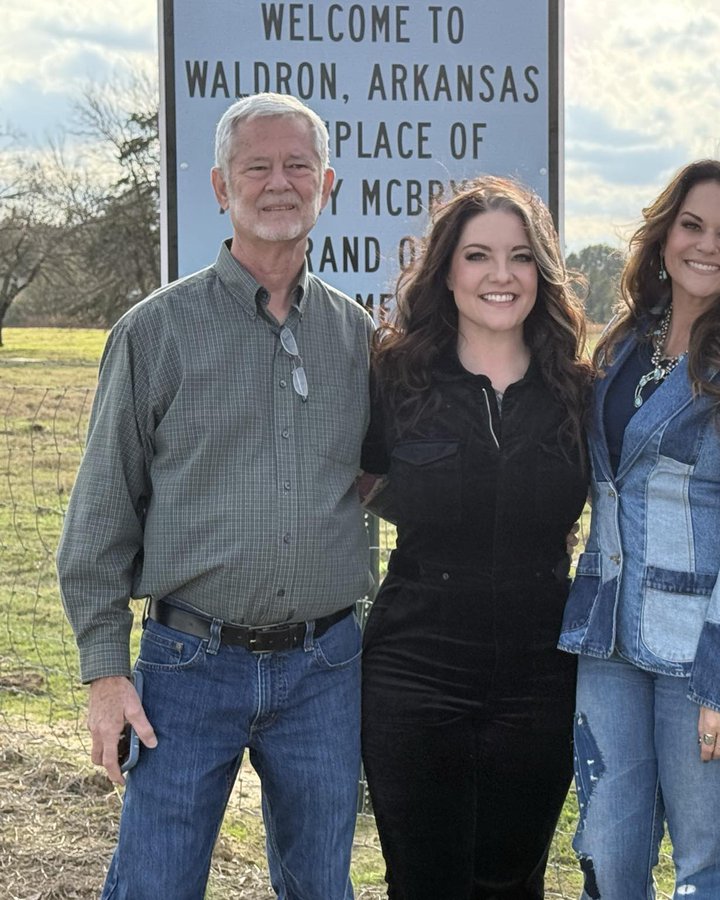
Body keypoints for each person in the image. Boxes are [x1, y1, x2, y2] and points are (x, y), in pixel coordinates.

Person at [56, 92, 373, 899]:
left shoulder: (360, 339)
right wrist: (104, 674)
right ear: (219, 188)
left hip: (326, 667)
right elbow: (99, 518)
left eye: (297, 165)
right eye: (255, 166)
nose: (278, 183)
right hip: (187, 667)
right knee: (155, 885)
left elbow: (394, 481)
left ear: (326, 183)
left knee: (321, 886)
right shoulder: (154, 332)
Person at [557, 160, 720, 899]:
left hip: (705, 649)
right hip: (607, 637)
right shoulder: (623, 346)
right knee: (604, 848)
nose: (708, 245)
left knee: (706, 865)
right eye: (692, 225)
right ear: (664, 236)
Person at [358, 175, 593, 898]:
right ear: (446, 272)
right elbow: (357, 483)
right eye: (477, 256)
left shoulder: (578, 390)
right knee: (424, 881)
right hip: (416, 665)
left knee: (510, 880)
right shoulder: (394, 377)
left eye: (520, 257)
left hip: (541, 672)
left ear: (542, 273)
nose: (500, 275)